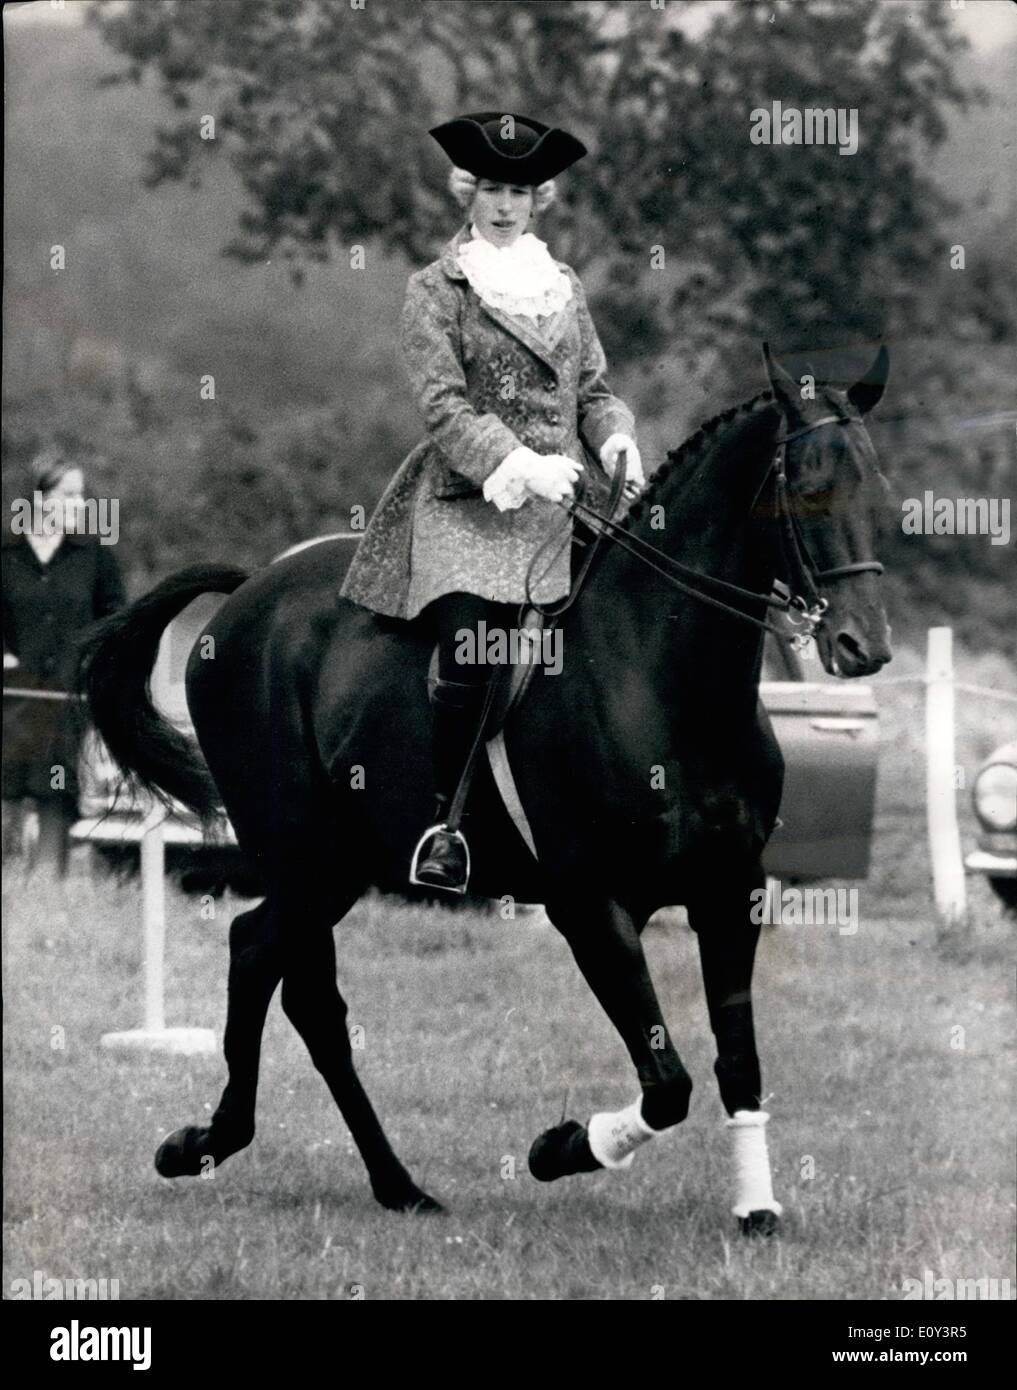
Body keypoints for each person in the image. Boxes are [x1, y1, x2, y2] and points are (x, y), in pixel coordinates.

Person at [341, 111, 641, 893]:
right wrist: (517, 462)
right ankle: (449, 826)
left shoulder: (563, 287)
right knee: (477, 647)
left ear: (537, 198)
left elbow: (594, 391)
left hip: (562, 506)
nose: (504, 205)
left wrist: (613, 439)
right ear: (468, 192)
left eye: (519, 191)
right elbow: (442, 408)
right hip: (466, 502)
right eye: (491, 190)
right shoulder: (434, 291)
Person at [2, 448, 125, 877]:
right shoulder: (7, 553)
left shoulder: (94, 555)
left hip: (69, 694)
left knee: (57, 788)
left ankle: (46, 885)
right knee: (8, 787)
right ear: (39, 498)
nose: (81, 505)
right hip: (11, 694)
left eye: (82, 495)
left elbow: (115, 618)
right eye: (69, 495)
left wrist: (96, 664)